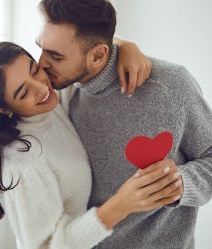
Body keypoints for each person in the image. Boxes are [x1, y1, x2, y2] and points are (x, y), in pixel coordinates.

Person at [0, 41, 183, 249]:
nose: (42, 88)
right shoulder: (23, 164)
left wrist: (126, 48)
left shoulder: (49, 107)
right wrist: (121, 205)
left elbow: (83, 45)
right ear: (2, 109)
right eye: (24, 92)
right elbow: (46, 247)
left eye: (35, 70)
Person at [36, 0, 212, 248]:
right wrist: (124, 43)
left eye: (55, 56)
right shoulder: (59, 96)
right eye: (40, 47)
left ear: (98, 55)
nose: (40, 63)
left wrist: (180, 184)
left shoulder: (172, 85)